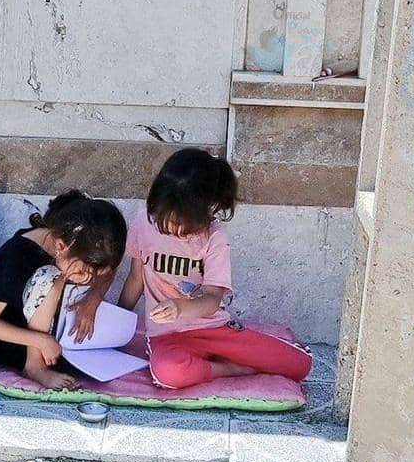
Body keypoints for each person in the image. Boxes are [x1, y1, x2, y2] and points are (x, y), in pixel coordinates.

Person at [118, 148, 312, 389]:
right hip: (168, 336)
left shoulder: (214, 237)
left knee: (299, 365)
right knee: (168, 374)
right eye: (165, 216)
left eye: (181, 222)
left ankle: (222, 358)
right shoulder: (144, 222)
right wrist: (117, 323)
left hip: (214, 329)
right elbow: (136, 278)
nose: (171, 227)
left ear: (205, 211)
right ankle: (228, 369)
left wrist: (180, 307)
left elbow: (211, 299)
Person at [0, 191, 127, 389]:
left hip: (59, 338)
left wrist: (92, 299)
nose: (90, 279)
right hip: (18, 342)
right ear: (61, 246)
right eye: (83, 272)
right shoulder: (16, 259)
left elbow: (108, 272)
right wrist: (41, 340)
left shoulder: (80, 250)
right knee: (51, 277)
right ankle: (35, 367)